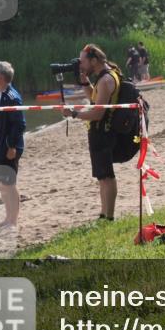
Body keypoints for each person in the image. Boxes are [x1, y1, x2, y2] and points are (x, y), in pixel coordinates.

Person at [59, 44, 122, 221]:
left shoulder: (106, 80)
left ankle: (109, 217)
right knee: (102, 176)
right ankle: (104, 214)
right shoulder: (105, 77)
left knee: (107, 176)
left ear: (94, 61)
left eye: (82, 61)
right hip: (100, 131)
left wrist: (74, 114)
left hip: (103, 132)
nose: (80, 64)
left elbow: (97, 113)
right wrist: (85, 81)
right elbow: (95, 99)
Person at [0, 61, 25, 229]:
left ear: (0, 76)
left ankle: (13, 220)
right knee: (1, 183)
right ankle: (8, 217)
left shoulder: (11, 97)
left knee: (9, 184)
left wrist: (12, 146)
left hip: (7, 147)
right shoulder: (0, 95)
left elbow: (19, 124)